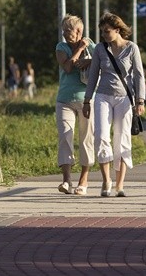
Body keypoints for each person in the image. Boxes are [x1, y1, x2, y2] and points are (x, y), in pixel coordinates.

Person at [83, 12, 146, 197]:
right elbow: (93, 75)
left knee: (122, 138)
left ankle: (120, 185)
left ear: (117, 30)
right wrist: (87, 100)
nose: (104, 35)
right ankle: (106, 181)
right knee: (101, 136)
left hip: (124, 98)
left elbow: (139, 75)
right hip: (102, 96)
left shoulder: (132, 48)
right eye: (102, 32)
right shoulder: (100, 49)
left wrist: (140, 101)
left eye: (107, 31)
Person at [55, 15, 95, 195]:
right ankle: (66, 180)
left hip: (87, 99)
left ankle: (83, 181)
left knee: (86, 137)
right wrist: (79, 50)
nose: (64, 34)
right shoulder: (61, 47)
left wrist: (89, 60)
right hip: (64, 99)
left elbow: (104, 63)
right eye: (63, 30)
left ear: (79, 31)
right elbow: (68, 68)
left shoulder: (92, 45)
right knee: (65, 136)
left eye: (67, 31)